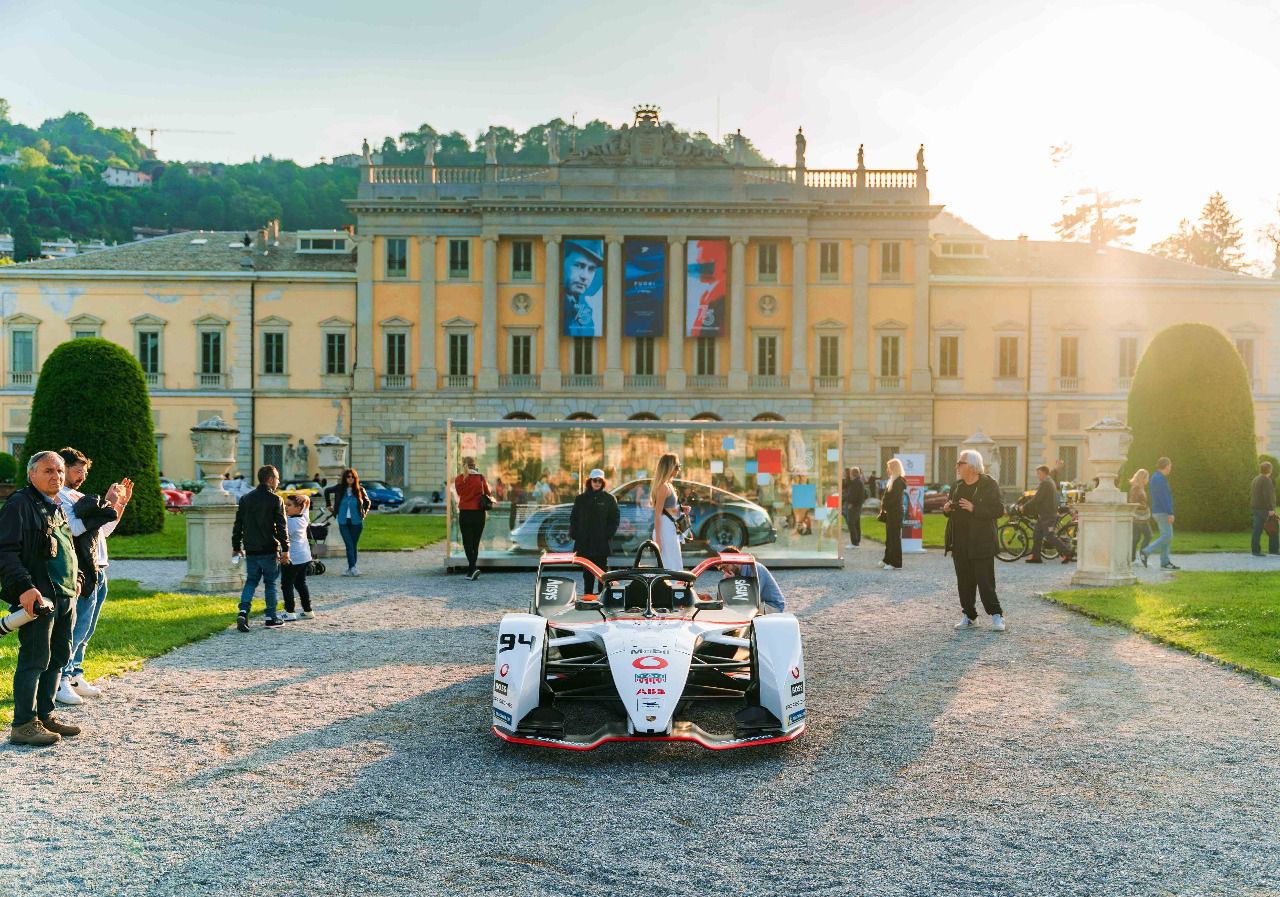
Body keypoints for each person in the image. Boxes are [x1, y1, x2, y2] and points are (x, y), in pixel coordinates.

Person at [0, 451, 84, 746]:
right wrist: (24, 587)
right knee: (35, 658)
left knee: (58, 656)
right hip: (38, 597)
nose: (57, 476)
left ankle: (45, 716)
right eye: (48, 471)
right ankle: (23, 724)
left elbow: (64, 548)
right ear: (31, 474)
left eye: (60, 471)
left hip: (64, 596)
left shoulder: (55, 505)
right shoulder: (19, 505)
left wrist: (78, 578)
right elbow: (5, 551)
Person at [55, 447, 131, 707]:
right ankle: (61, 679)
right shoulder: (61, 497)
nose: (82, 477)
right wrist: (108, 504)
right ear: (62, 468)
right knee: (75, 627)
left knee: (87, 627)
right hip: (81, 569)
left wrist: (119, 504)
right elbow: (75, 529)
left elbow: (104, 531)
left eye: (85, 472)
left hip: (99, 567)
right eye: (78, 471)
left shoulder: (79, 495)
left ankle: (75, 673)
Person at [944, 449, 1006, 631]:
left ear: (971, 466)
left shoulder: (989, 485)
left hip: (982, 541)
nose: (957, 466)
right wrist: (947, 509)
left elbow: (998, 511)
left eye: (960, 463)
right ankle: (970, 616)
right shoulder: (957, 486)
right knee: (964, 581)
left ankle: (997, 616)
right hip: (960, 542)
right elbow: (951, 509)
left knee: (985, 581)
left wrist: (974, 508)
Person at [232, 465, 290, 631]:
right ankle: (271, 617)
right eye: (277, 478)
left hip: (251, 548)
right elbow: (281, 526)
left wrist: (236, 546)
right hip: (269, 548)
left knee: (251, 581)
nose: (278, 481)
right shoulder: (275, 500)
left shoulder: (246, 499)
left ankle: (243, 611)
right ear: (270, 479)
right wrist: (286, 548)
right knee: (270, 583)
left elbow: (239, 525)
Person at [569, 468, 619, 593]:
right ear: (589, 481)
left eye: (600, 481)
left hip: (601, 542)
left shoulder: (609, 499)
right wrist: (575, 535)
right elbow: (573, 518)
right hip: (585, 542)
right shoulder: (580, 499)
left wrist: (608, 535)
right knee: (587, 574)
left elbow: (615, 519)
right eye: (594, 480)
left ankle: (602, 598)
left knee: (602, 573)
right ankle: (588, 597)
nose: (597, 483)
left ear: (603, 482)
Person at [326, 468, 371, 576]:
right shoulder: (339, 489)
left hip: (356, 522)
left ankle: (351, 568)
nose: (350, 479)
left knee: (353, 545)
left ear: (355, 478)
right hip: (343, 521)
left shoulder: (360, 490)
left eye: (352, 477)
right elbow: (326, 491)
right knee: (349, 544)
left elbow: (367, 502)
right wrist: (329, 505)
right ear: (345, 478)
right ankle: (353, 568)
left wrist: (364, 513)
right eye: (348, 477)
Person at [453, 457, 492, 581]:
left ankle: (472, 568)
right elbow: (488, 493)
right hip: (479, 513)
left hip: (465, 513)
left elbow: (459, 493)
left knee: (467, 542)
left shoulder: (459, 478)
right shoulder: (480, 478)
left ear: (463, 465)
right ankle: (472, 569)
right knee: (475, 542)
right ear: (474, 465)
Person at [1026, 464, 1073, 564]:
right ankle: (1036, 556)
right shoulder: (1049, 481)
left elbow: (1037, 498)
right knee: (1037, 535)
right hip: (1044, 514)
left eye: (1038, 473)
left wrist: (1024, 507)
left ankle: (1068, 552)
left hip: (1047, 515)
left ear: (1043, 473)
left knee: (1050, 536)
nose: (1037, 476)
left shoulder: (1046, 483)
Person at [651, 453, 689, 571]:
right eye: (677, 466)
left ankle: (673, 588)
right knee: (670, 565)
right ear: (669, 467)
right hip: (664, 529)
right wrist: (658, 538)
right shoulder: (663, 487)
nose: (679, 469)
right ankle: (670, 588)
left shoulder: (668, 485)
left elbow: (667, 510)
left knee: (674, 563)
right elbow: (657, 514)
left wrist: (682, 510)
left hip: (668, 527)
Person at [280, 493, 314, 621]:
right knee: (301, 584)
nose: (285, 507)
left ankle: (289, 611)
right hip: (304, 557)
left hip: (292, 559)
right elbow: (307, 505)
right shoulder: (303, 518)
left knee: (286, 584)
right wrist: (306, 498)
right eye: (285, 505)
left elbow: (281, 536)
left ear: (298, 508)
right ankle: (308, 610)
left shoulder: (290, 522)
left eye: (289, 505)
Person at [719, 548, 784, 613]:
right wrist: (726, 584)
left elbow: (749, 599)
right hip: (758, 603)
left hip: (772, 606)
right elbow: (724, 600)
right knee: (727, 609)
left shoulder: (755, 569)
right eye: (722, 569)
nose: (724, 571)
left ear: (735, 562)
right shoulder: (736, 573)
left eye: (725, 566)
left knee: (740, 609)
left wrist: (733, 582)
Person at [1142, 457, 1178, 570]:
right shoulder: (1159, 479)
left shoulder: (1156, 477)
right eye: (1170, 466)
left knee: (1166, 537)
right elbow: (1164, 498)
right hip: (1163, 512)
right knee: (1167, 536)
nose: (1170, 469)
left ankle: (1165, 562)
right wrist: (1170, 513)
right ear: (1166, 466)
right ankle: (1146, 551)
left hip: (1159, 511)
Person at [563, 240, 603, 337]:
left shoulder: (585, 309)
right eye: (578, 265)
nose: (585, 276)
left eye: (591, 269)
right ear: (562, 262)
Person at [879, 458, 905, 570]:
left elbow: (894, 499)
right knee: (889, 538)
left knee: (894, 538)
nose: (887, 470)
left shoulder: (898, 482)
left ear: (894, 468)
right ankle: (887, 559)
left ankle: (896, 563)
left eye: (889, 467)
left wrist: (885, 504)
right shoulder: (893, 480)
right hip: (891, 513)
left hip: (895, 513)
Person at [1249, 461, 1278, 557]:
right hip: (1265, 510)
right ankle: (1273, 550)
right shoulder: (1266, 480)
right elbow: (1268, 495)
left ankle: (1255, 551)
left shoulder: (1255, 479)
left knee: (1256, 530)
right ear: (1270, 470)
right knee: (1273, 529)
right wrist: (1271, 509)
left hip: (1256, 508)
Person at [1129, 469, 1153, 562]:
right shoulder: (1136, 488)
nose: (1148, 479)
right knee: (1148, 535)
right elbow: (1133, 502)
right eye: (1147, 477)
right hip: (1139, 517)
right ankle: (1143, 556)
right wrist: (1145, 506)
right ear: (1142, 478)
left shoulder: (1139, 487)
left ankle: (1132, 559)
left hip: (1137, 516)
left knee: (1136, 537)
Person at [842, 467, 866, 548]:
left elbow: (853, 496)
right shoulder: (858, 482)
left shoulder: (856, 482)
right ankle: (857, 541)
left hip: (854, 506)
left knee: (851, 523)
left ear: (852, 474)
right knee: (856, 523)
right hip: (857, 505)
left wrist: (850, 502)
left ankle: (854, 543)